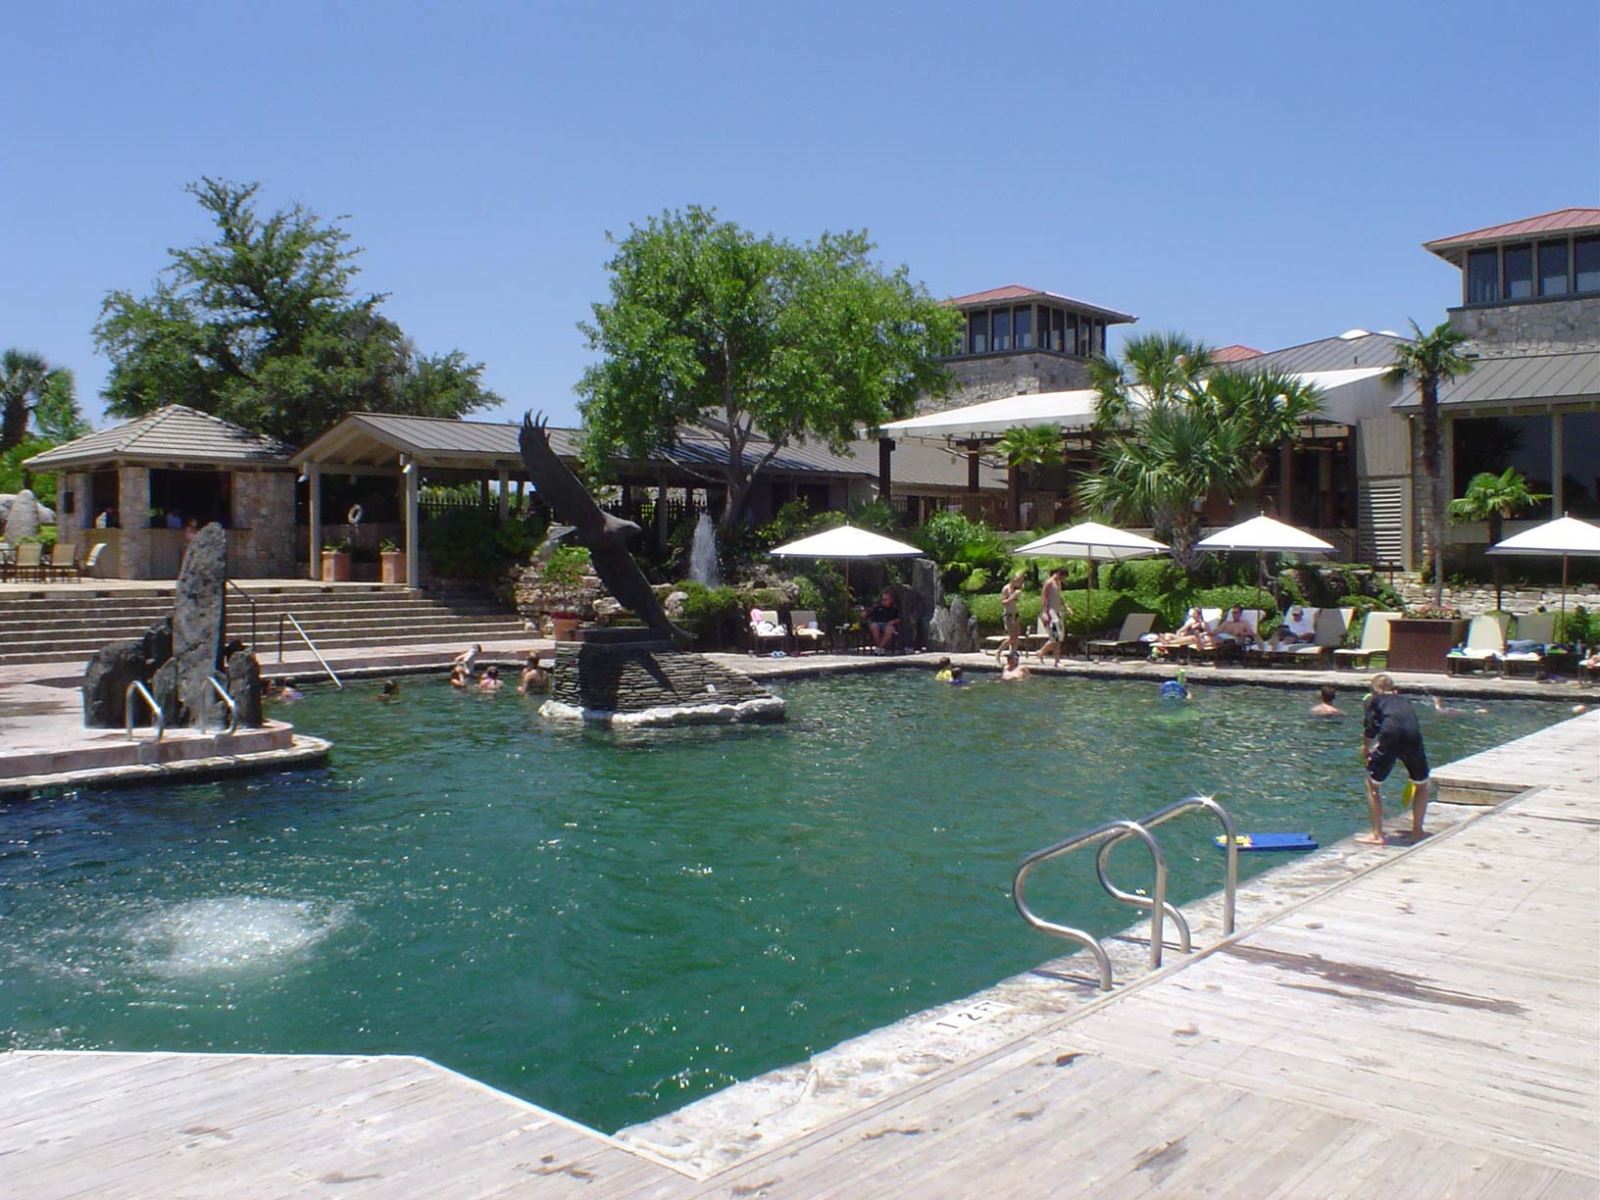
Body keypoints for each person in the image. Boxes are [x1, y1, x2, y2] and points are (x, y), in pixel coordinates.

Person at [1361, 674, 1431, 845]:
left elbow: (1371, 728)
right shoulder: (1404, 700)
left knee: (1372, 785)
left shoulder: (1374, 700)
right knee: (1422, 784)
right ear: (1394, 689)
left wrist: (1365, 748)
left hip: (1391, 736)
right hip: (1412, 736)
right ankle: (1417, 830)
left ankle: (1378, 834)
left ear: (1374, 690)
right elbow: (1403, 721)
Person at [1038, 568, 1073, 666]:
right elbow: (1044, 597)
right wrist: (1045, 612)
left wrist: (1066, 607)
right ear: (1058, 574)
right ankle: (1057, 661)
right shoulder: (1049, 582)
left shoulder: (1058, 583)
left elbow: (1059, 596)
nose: (1063, 580)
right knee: (1056, 637)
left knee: (1059, 637)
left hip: (1058, 612)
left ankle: (1041, 652)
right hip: (1051, 613)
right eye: (1063, 577)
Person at [1000, 573, 1025, 655]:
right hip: (1008, 615)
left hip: (1016, 614)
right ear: (1013, 579)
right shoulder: (1006, 589)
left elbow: (1016, 602)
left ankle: (1013, 652)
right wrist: (1012, 597)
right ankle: (999, 651)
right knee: (1012, 637)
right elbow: (1003, 602)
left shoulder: (1016, 589)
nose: (1020, 582)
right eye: (1019, 580)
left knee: (1016, 636)